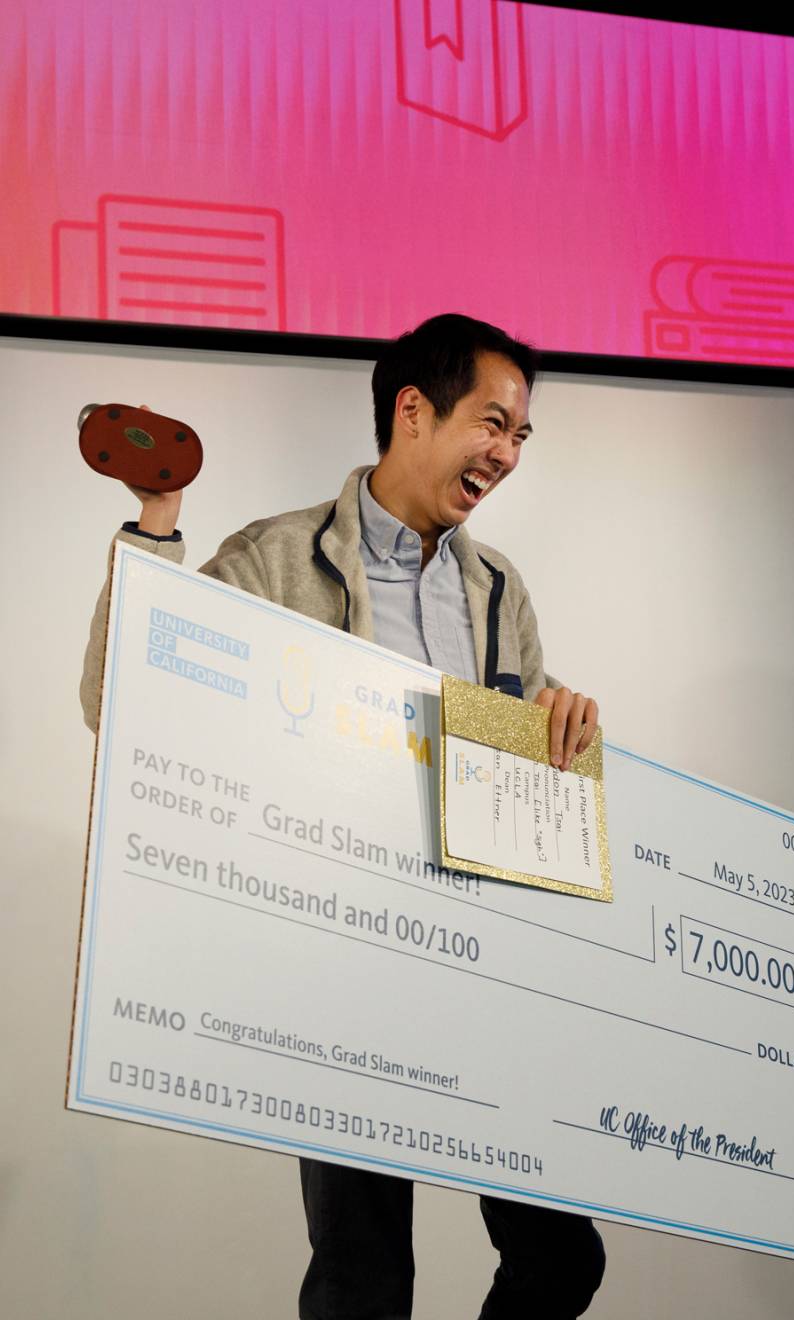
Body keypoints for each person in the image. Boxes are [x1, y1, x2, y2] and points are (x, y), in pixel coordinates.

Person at [80, 313, 607, 1317]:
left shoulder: (500, 591)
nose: (506, 452)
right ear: (412, 410)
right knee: (364, 1277)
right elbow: (126, 700)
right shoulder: (276, 559)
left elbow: (519, 772)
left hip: (486, 963)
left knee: (560, 1256)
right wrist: (155, 526)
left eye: (521, 436)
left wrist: (557, 723)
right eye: (492, 423)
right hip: (341, 969)